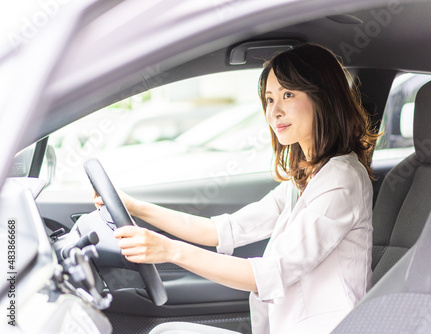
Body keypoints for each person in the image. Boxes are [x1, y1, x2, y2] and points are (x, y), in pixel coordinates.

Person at [94, 43, 377, 333]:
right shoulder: (306, 177)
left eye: (287, 95)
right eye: (269, 99)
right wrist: (133, 206)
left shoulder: (342, 179)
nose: (274, 111)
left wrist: (168, 250)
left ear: (324, 98)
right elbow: (222, 230)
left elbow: (270, 274)